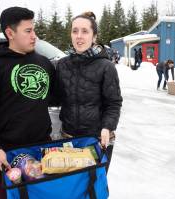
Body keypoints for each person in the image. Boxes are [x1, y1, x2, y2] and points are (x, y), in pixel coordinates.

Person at [0, 7, 56, 199]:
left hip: (42, 150)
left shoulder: (44, 63)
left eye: (34, 30)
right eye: (28, 31)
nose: (34, 36)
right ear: (10, 33)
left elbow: (58, 97)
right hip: (8, 155)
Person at [55, 11, 123, 171]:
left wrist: (107, 127)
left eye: (85, 31)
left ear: (94, 37)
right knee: (71, 187)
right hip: (68, 137)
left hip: (96, 139)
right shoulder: (62, 65)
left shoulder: (106, 66)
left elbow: (114, 103)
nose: (79, 36)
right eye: (75, 31)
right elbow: (55, 98)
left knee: (92, 188)